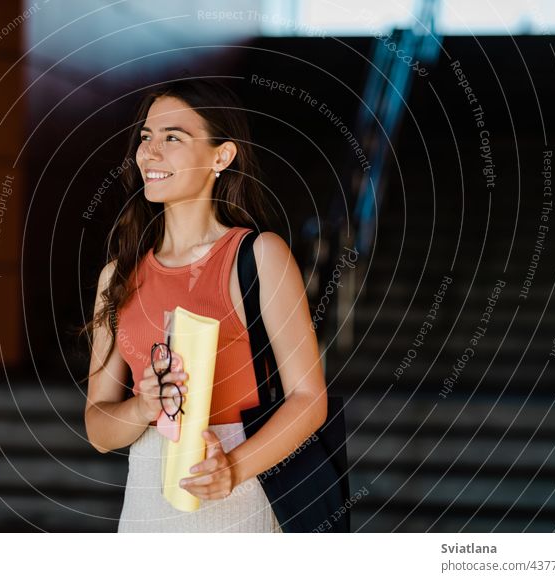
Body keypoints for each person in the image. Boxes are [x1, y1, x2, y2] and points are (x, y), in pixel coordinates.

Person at [81, 77, 327, 532]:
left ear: (221, 156)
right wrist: (141, 407)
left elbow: (309, 400)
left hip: (239, 493)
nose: (150, 152)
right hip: (145, 506)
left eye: (173, 138)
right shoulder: (117, 276)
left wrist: (231, 468)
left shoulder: (259, 256)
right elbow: (98, 429)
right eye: (146, 138)